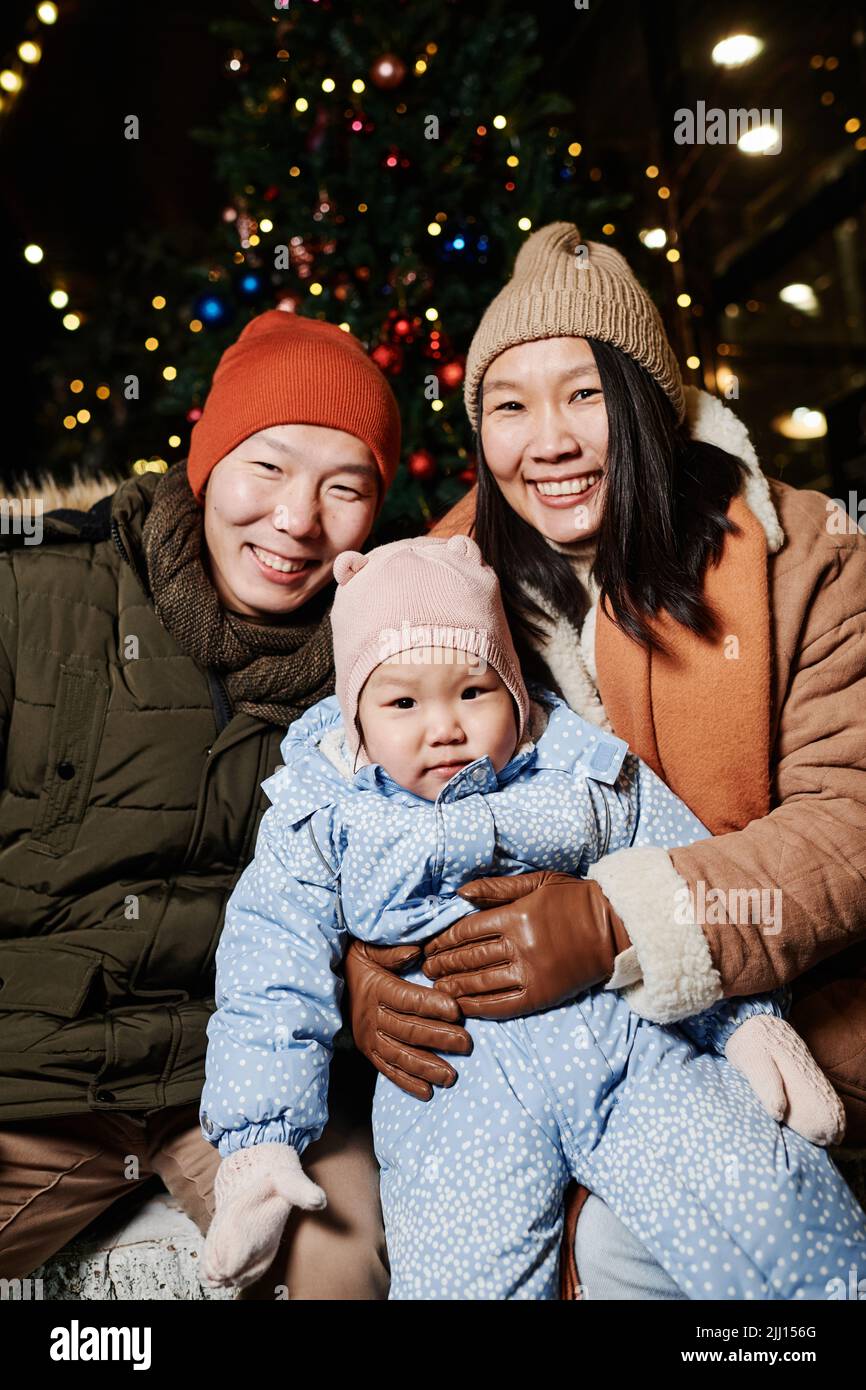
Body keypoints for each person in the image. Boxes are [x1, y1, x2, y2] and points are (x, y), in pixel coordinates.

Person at [342, 222, 866, 1298]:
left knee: (642, 1247)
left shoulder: (806, 554)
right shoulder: (429, 598)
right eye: (508, 405)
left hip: (789, 1020)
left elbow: (848, 823)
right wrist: (365, 965)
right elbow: (347, 794)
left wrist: (616, 921)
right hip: (516, 1055)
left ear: (647, 401)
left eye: (583, 394)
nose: (550, 442)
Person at [199, 534, 864, 1300]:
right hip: (452, 1082)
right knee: (460, 1267)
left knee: (765, 1196)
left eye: (473, 692)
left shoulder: (582, 770)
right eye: (403, 702)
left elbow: (680, 875)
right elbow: (267, 964)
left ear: (513, 688)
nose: (444, 726)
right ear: (354, 717)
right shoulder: (322, 816)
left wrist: (744, 1023)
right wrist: (261, 1142)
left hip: (628, 1047)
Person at [0, 309, 400, 1299]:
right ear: (206, 458)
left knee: (343, 1266)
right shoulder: (39, 598)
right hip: (34, 1081)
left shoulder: (379, 664)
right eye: (265, 467)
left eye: (342, 487)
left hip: (246, 1094)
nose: (296, 519)